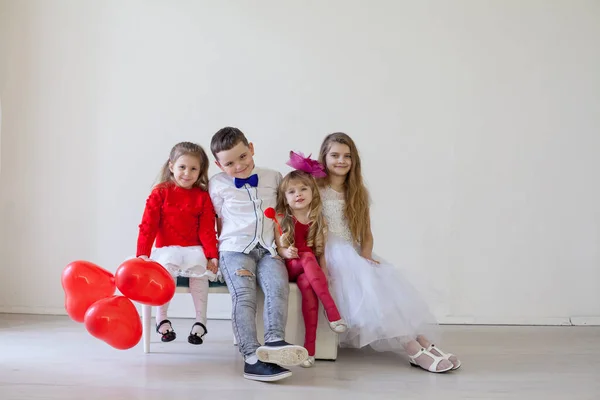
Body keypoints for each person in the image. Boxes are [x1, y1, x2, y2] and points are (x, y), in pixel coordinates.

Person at [316, 132, 461, 373]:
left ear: (354, 161)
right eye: (335, 155)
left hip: (353, 252)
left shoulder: (357, 192)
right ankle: (412, 347)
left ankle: (422, 342)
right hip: (330, 254)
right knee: (372, 289)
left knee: (383, 280)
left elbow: (366, 234)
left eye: (347, 156)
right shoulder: (316, 189)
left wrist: (365, 257)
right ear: (324, 157)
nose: (341, 161)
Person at [208, 127, 308, 382]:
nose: (239, 166)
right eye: (229, 163)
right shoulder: (217, 184)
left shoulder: (273, 177)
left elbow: (281, 216)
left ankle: (274, 342)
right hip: (234, 250)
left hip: (268, 249)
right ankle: (251, 358)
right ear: (219, 165)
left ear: (251, 149)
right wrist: (215, 255)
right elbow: (217, 220)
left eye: (242, 156)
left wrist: (283, 246)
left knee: (278, 289)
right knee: (244, 296)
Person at [136, 141, 218, 346]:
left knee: (200, 271)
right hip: (167, 250)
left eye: (193, 169)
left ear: (200, 171)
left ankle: (200, 321)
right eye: (182, 167)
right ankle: (161, 318)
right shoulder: (160, 192)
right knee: (167, 271)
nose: (187, 173)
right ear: (171, 166)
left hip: (193, 249)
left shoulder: (202, 197)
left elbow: (207, 230)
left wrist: (211, 255)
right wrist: (142, 254)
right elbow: (148, 225)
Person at [274, 152, 348, 368]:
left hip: (309, 270)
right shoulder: (282, 218)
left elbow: (321, 251)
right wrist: (285, 252)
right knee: (306, 255)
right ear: (285, 198)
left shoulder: (318, 219)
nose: (298, 194)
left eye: (303, 189)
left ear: (312, 192)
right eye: (292, 191)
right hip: (291, 265)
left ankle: (309, 351)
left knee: (308, 287)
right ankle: (332, 312)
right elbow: (279, 247)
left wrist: (323, 271)